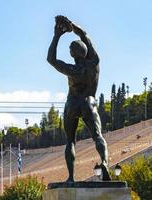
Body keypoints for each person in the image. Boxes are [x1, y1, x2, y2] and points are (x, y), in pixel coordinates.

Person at [47, 15, 111, 182]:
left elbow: (51, 60)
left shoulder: (72, 70)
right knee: (97, 136)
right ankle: (105, 162)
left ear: (73, 53)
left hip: (73, 103)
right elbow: (85, 35)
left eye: (70, 50)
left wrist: (57, 35)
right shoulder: (94, 63)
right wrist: (71, 25)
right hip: (89, 102)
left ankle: (71, 177)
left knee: (70, 141)